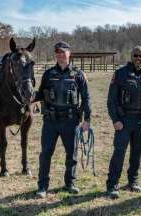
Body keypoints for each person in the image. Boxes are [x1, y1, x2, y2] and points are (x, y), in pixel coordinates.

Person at [34, 41, 91, 198]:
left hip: (70, 121)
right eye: (57, 52)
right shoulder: (48, 73)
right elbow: (39, 94)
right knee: (46, 154)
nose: (60, 54)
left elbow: (86, 98)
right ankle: (42, 187)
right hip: (50, 121)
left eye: (63, 51)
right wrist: (30, 97)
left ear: (69, 53)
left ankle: (70, 183)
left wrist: (87, 119)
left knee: (71, 154)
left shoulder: (78, 74)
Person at [106, 46, 141, 199]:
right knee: (119, 153)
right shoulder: (120, 74)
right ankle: (112, 184)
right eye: (136, 55)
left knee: (137, 153)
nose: (138, 58)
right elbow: (111, 100)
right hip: (124, 120)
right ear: (131, 56)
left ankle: (133, 181)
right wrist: (115, 120)